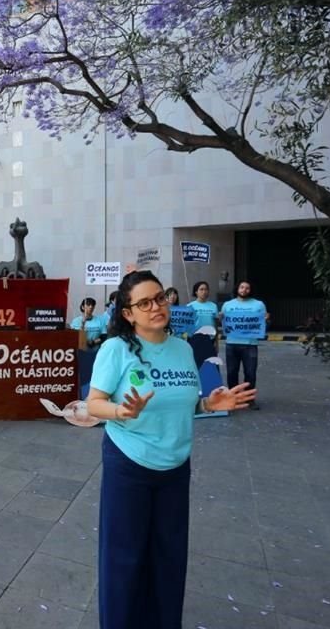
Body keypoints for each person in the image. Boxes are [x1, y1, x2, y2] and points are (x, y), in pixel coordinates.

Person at [87, 270, 255, 629]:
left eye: (160, 298)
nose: (155, 307)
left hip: (176, 468)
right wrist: (121, 410)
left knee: (169, 557)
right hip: (129, 465)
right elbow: (93, 404)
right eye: (144, 303)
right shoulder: (115, 349)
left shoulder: (182, 348)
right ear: (128, 313)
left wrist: (210, 405)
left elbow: (185, 404)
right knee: (124, 559)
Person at [220, 280, 268, 410]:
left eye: (247, 288)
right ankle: (233, 399)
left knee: (250, 373)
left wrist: (267, 319)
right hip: (231, 344)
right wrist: (220, 318)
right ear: (237, 289)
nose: (244, 290)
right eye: (242, 287)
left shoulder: (259, 305)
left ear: (250, 290)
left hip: (250, 344)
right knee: (231, 373)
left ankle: (249, 400)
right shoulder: (227, 305)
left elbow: (263, 322)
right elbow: (222, 321)